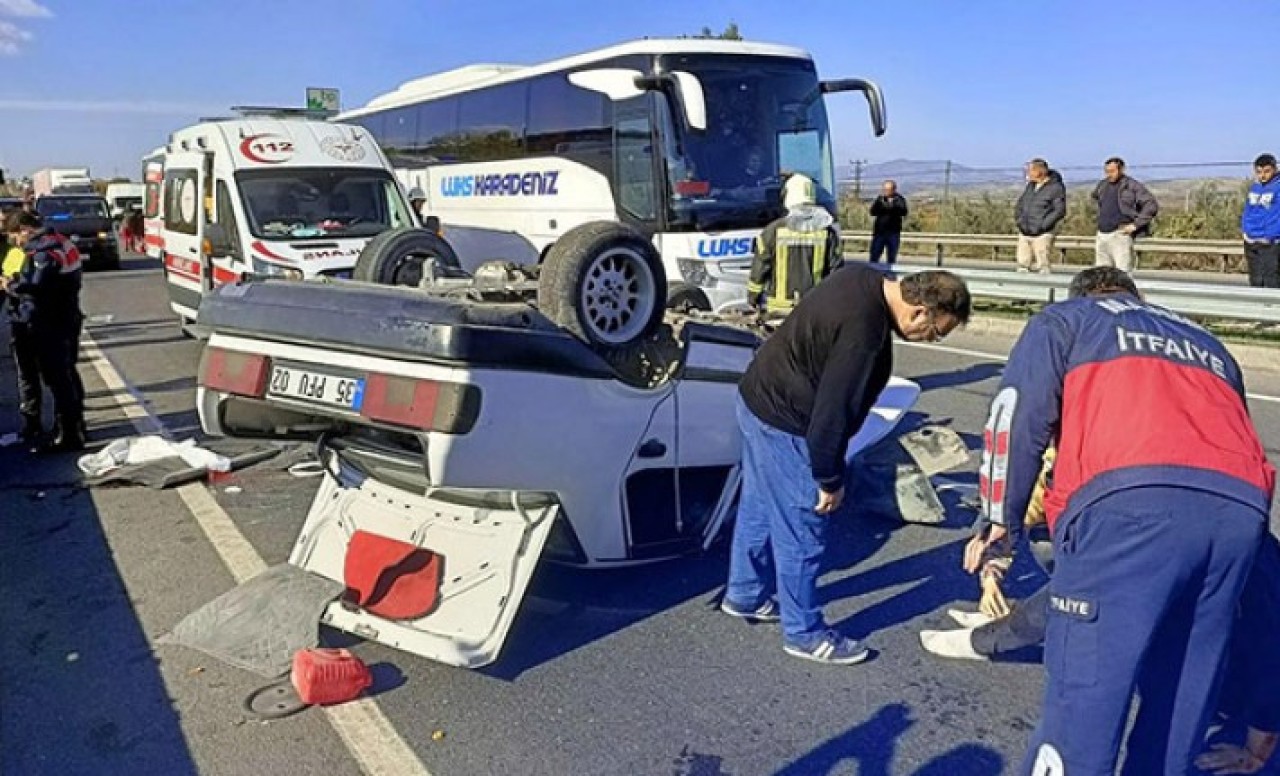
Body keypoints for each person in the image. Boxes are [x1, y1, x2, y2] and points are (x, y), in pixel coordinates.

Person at [965, 265, 1273, 774]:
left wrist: (1000, 519)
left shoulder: (1067, 320)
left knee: (1084, 710)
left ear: (1081, 295)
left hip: (1126, 505)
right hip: (1238, 513)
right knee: (1180, 698)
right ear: (1138, 298)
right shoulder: (1209, 344)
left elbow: (1016, 416)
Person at [723, 264, 971, 664]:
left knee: (759, 504)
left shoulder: (861, 279)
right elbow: (831, 416)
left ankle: (745, 594)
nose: (932, 339)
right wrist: (829, 479)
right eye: (936, 331)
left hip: (757, 398)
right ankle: (804, 633)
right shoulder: (864, 334)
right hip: (788, 422)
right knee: (803, 531)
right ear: (920, 310)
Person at [2, 210, 86, 451]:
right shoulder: (62, 242)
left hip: (49, 320)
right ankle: (71, 425)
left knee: (58, 378)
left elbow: (37, 288)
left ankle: (68, 433)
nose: (16, 243)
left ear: (25, 230)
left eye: (15, 237)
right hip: (62, 316)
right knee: (64, 375)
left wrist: (10, 285)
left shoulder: (44, 251)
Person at [746, 174, 842, 315]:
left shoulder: (772, 231)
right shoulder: (827, 233)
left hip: (778, 310)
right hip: (814, 308)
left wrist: (753, 297)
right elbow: (836, 273)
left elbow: (759, 269)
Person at [1090, 157, 1159, 272]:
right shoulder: (1102, 185)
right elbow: (1095, 200)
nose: (1109, 174)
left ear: (1121, 169)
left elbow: (1151, 205)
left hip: (1120, 235)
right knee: (1102, 274)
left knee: (1122, 274)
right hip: (1102, 235)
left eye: (1112, 171)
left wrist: (1135, 225)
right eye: (1107, 171)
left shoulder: (1132, 186)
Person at [1013, 159, 1066, 274]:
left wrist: (1043, 225)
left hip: (1042, 234)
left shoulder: (1055, 188)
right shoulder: (1030, 187)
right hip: (1025, 232)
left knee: (1043, 267)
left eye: (1030, 170)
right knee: (1022, 266)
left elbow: (1059, 210)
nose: (1027, 173)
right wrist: (1019, 221)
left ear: (1039, 171)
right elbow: (1020, 204)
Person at [1242, 154, 1280, 289]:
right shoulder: (1255, 188)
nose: (1262, 175)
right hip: (1251, 241)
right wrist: (1245, 231)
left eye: (1266, 171)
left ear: (1275, 169)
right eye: (1259, 172)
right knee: (1256, 280)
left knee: (1272, 280)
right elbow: (1248, 210)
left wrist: (1272, 235)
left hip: (1270, 242)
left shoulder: (1278, 187)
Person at [869, 180, 908, 265]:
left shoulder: (900, 199)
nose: (886, 192)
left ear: (894, 189)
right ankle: (872, 270)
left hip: (893, 233)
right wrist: (882, 208)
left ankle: (890, 272)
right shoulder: (880, 199)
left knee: (891, 257)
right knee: (874, 255)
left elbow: (904, 212)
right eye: (884, 189)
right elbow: (872, 212)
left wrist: (892, 208)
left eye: (888, 190)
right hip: (879, 233)